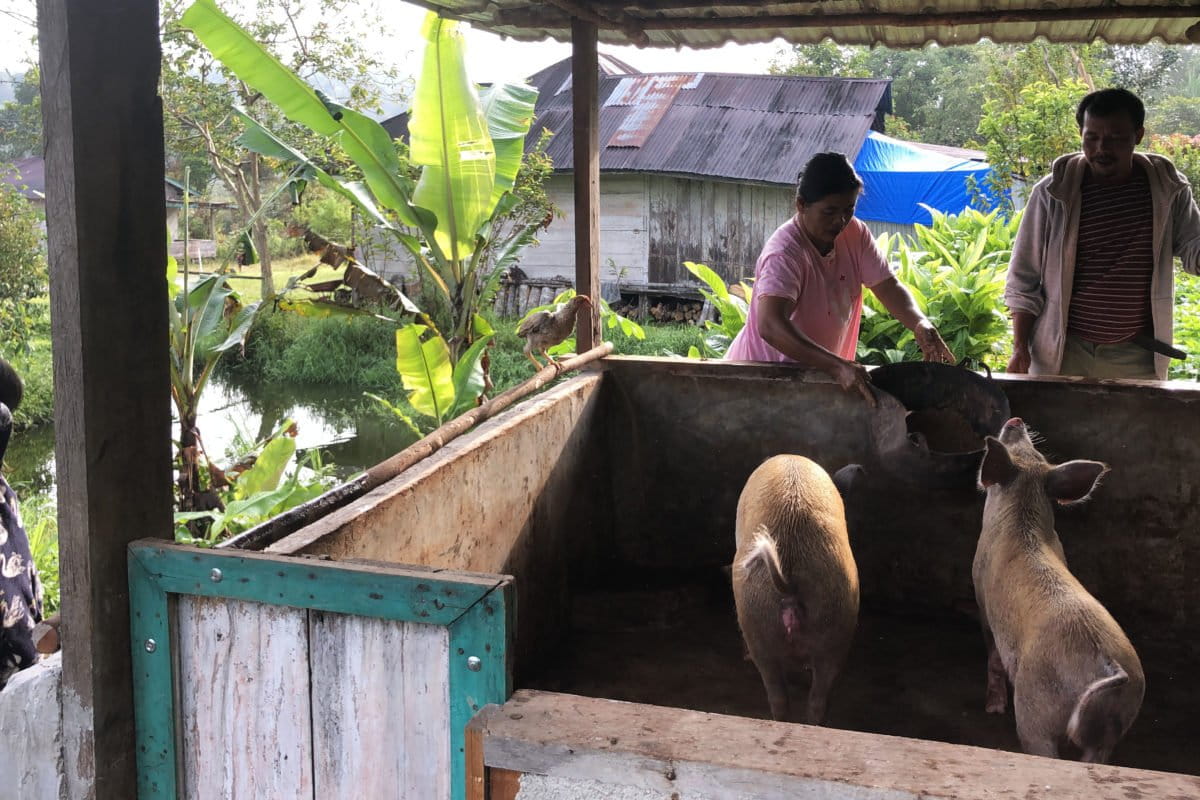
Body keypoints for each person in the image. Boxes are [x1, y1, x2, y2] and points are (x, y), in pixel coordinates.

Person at [726, 152, 955, 404]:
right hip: (766, 380)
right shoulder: (785, 253)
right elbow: (770, 325)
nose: (841, 221)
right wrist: (837, 367)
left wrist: (919, 323)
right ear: (801, 205)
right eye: (829, 211)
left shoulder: (855, 233)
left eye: (849, 209)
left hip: (816, 380)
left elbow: (887, 285)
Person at [1005, 87, 1200, 380]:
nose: (1101, 149)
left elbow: (1193, 249)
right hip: (1063, 351)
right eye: (1091, 138)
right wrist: (1020, 347)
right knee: (1057, 427)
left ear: (1138, 135)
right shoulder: (1052, 192)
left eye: (1115, 139)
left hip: (1136, 354)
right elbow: (1024, 277)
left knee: (1134, 427)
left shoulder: (1168, 189)